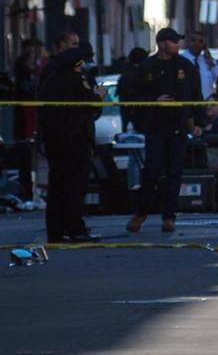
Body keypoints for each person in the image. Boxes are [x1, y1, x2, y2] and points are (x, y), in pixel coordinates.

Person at [125, 27, 204, 234]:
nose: (178, 45)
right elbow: (132, 96)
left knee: (174, 173)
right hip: (155, 127)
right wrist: (154, 102)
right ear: (162, 44)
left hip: (177, 126)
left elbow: (197, 96)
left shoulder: (185, 67)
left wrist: (198, 123)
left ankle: (169, 217)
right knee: (152, 171)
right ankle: (141, 213)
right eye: (173, 42)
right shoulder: (147, 67)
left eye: (178, 42)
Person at [37, 46, 104, 243]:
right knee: (75, 187)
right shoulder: (76, 81)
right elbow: (89, 106)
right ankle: (75, 228)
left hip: (54, 142)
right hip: (76, 141)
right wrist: (99, 95)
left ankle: (56, 232)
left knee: (57, 186)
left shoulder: (50, 81)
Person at [116, 47, 150, 132]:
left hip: (130, 116)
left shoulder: (125, 74)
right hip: (136, 117)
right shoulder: (134, 75)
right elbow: (133, 96)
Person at [182, 30, 218, 101]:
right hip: (188, 104)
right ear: (187, 42)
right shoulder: (181, 60)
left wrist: (212, 65)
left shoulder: (208, 61)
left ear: (204, 45)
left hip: (207, 105)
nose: (196, 44)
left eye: (200, 41)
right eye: (193, 40)